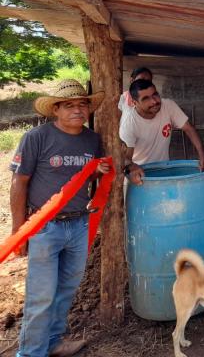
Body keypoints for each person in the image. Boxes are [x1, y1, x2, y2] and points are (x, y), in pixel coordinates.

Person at [9, 79, 111, 357]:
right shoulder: (37, 137)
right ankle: (30, 353)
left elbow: (88, 175)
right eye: (69, 105)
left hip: (79, 224)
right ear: (55, 109)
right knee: (40, 296)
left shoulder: (92, 139)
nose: (78, 110)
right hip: (44, 226)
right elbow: (19, 182)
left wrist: (98, 171)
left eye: (82, 105)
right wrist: (19, 231)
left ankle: (53, 342)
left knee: (66, 289)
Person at [119, 79, 204, 184]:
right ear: (134, 103)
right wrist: (131, 166)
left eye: (155, 94)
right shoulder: (128, 124)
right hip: (140, 178)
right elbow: (125, 158)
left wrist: (202, 154)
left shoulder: (168, 106)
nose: (154, 101)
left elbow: (189, 129)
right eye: (146, 99)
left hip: (164, 172)